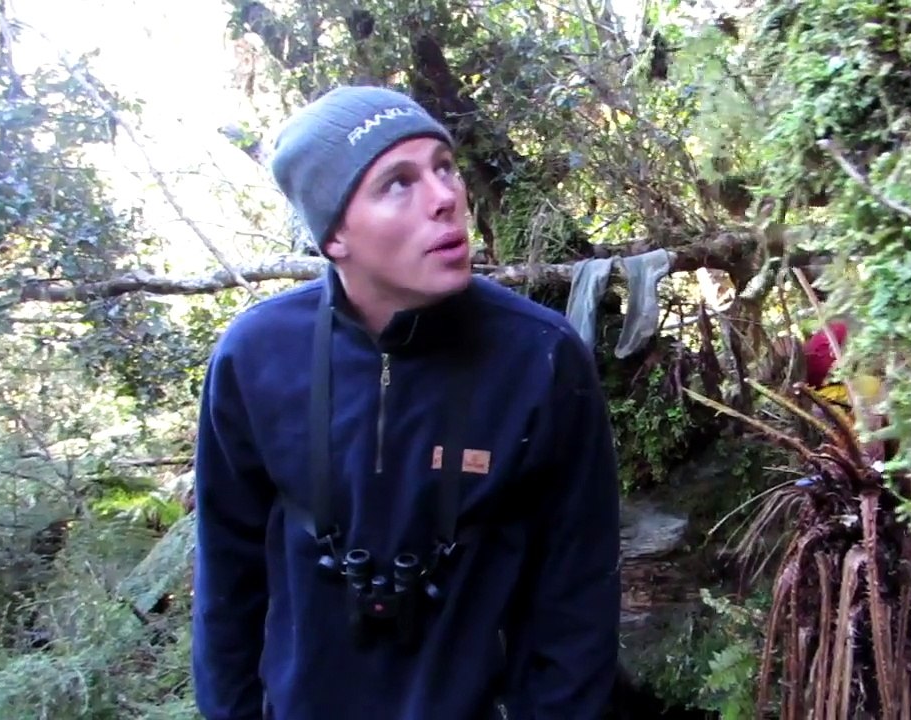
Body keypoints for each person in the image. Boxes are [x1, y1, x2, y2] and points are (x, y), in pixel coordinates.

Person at [190, 85, 622, 720]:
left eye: (444, 168)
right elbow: (227, 581)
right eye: (398, 182)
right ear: (334, 232)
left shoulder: (540, 356)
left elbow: (578, 593)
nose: (445, 198)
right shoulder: (256, 357)